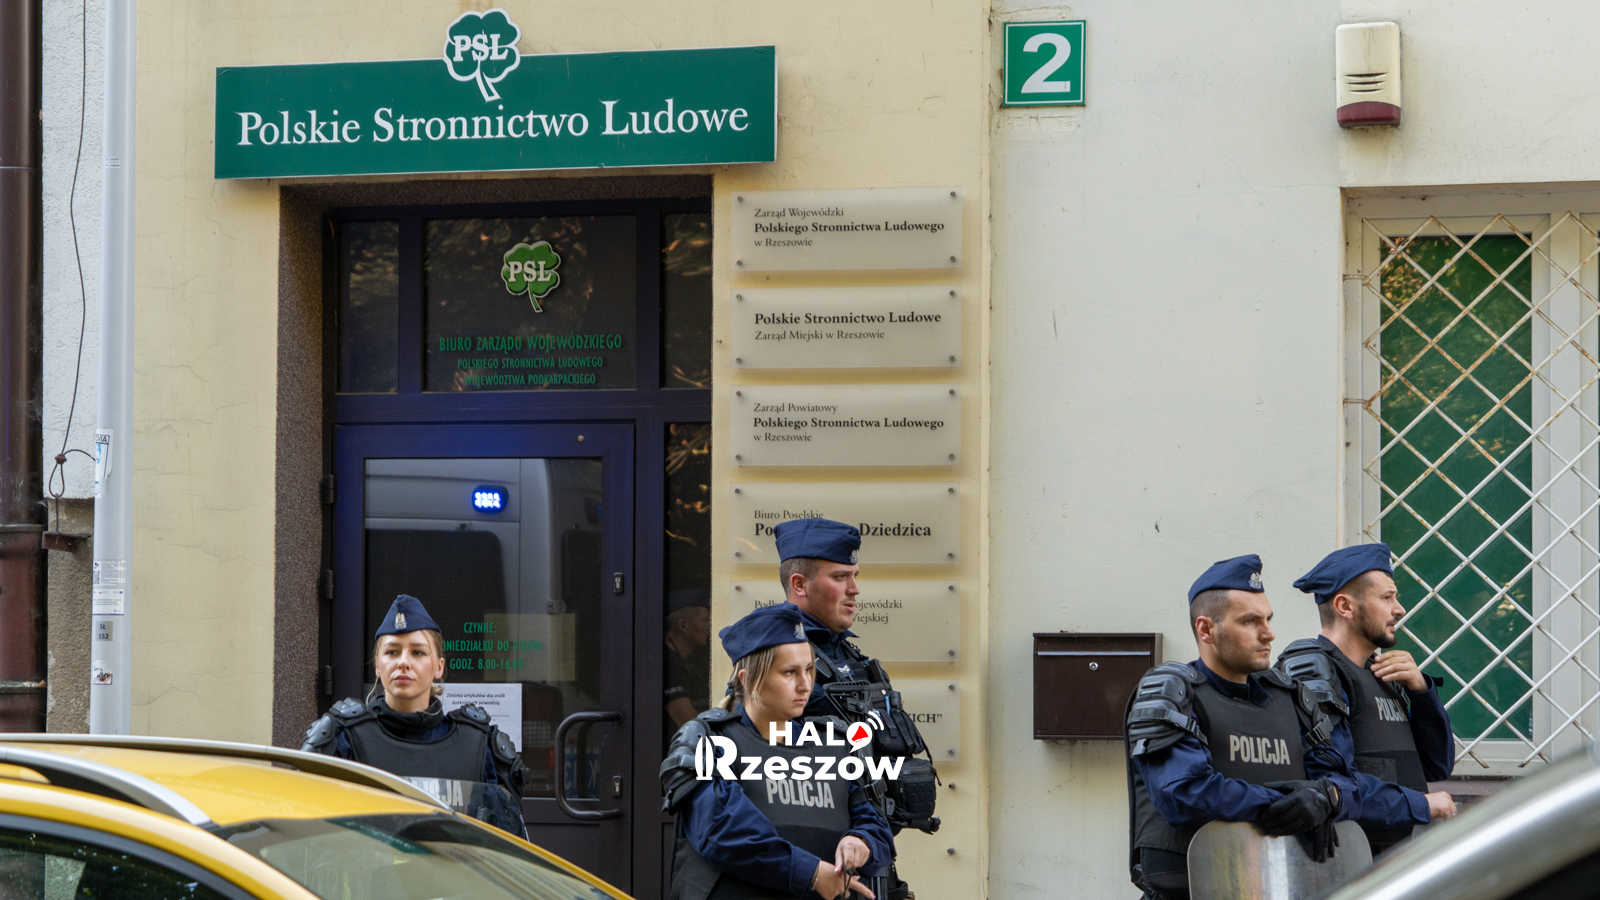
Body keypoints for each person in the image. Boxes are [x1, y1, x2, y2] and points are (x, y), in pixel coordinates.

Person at [1124, 555, 1361, 900]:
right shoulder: (1171, 694)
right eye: (1250, 621)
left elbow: (1344, 781)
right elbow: (1185, 793)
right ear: (1206, 629)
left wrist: (1329, 797)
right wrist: (1289, 801)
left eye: (1267, 619)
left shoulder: (1291, 698)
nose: (1269, 633)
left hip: (1285, 886)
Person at [660, 602, 893, 900]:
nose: (805, 685)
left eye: (809, 670)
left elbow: (875, 823)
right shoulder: (708, 740)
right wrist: (811, 874)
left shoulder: (836, 743)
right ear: (748, 680)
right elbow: (725, 834)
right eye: (789, 672)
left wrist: (861, 842)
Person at [774, 517, 938, 900]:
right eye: (840, 577)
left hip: (867, 850)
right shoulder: (774, 656)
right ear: (799, 584)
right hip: (811, 865)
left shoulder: (847, 653)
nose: (855, 589)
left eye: (855, 576)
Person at [1277, 543, 1458, 855]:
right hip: (1349, 862)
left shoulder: (1383, 673)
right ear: (1345, 607)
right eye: (1386, 598)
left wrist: (1422, 692)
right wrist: (1421, 804)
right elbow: (1332, 783)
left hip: (1396, 857)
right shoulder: (1316, 671)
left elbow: (1436, 767)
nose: (1399, 609)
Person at [301, 594, 528, 835]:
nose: (403, 663)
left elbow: (503, 842)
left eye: (418, 652)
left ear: (439, 667)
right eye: (392, 652)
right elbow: (313, 834)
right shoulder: (344, 739)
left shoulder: (479, 744)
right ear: (377, 665)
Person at [664, 589, 713, 752]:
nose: (710, 625)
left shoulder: (694, 659)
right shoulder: (667, 663)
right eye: (705, 620)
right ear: (683, 625)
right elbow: (689, 723)